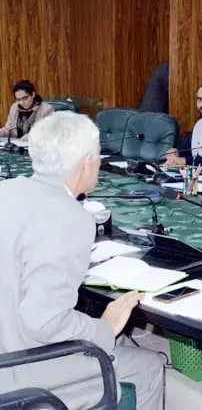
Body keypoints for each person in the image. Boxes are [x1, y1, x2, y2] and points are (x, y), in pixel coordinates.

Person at [0, 113, 164, 409]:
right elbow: (44, 321)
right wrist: (106, 327)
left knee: (116, 341)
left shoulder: (6, 191)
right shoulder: (69, 217)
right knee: (148, 365)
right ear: (87, 162)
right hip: (17, 374)